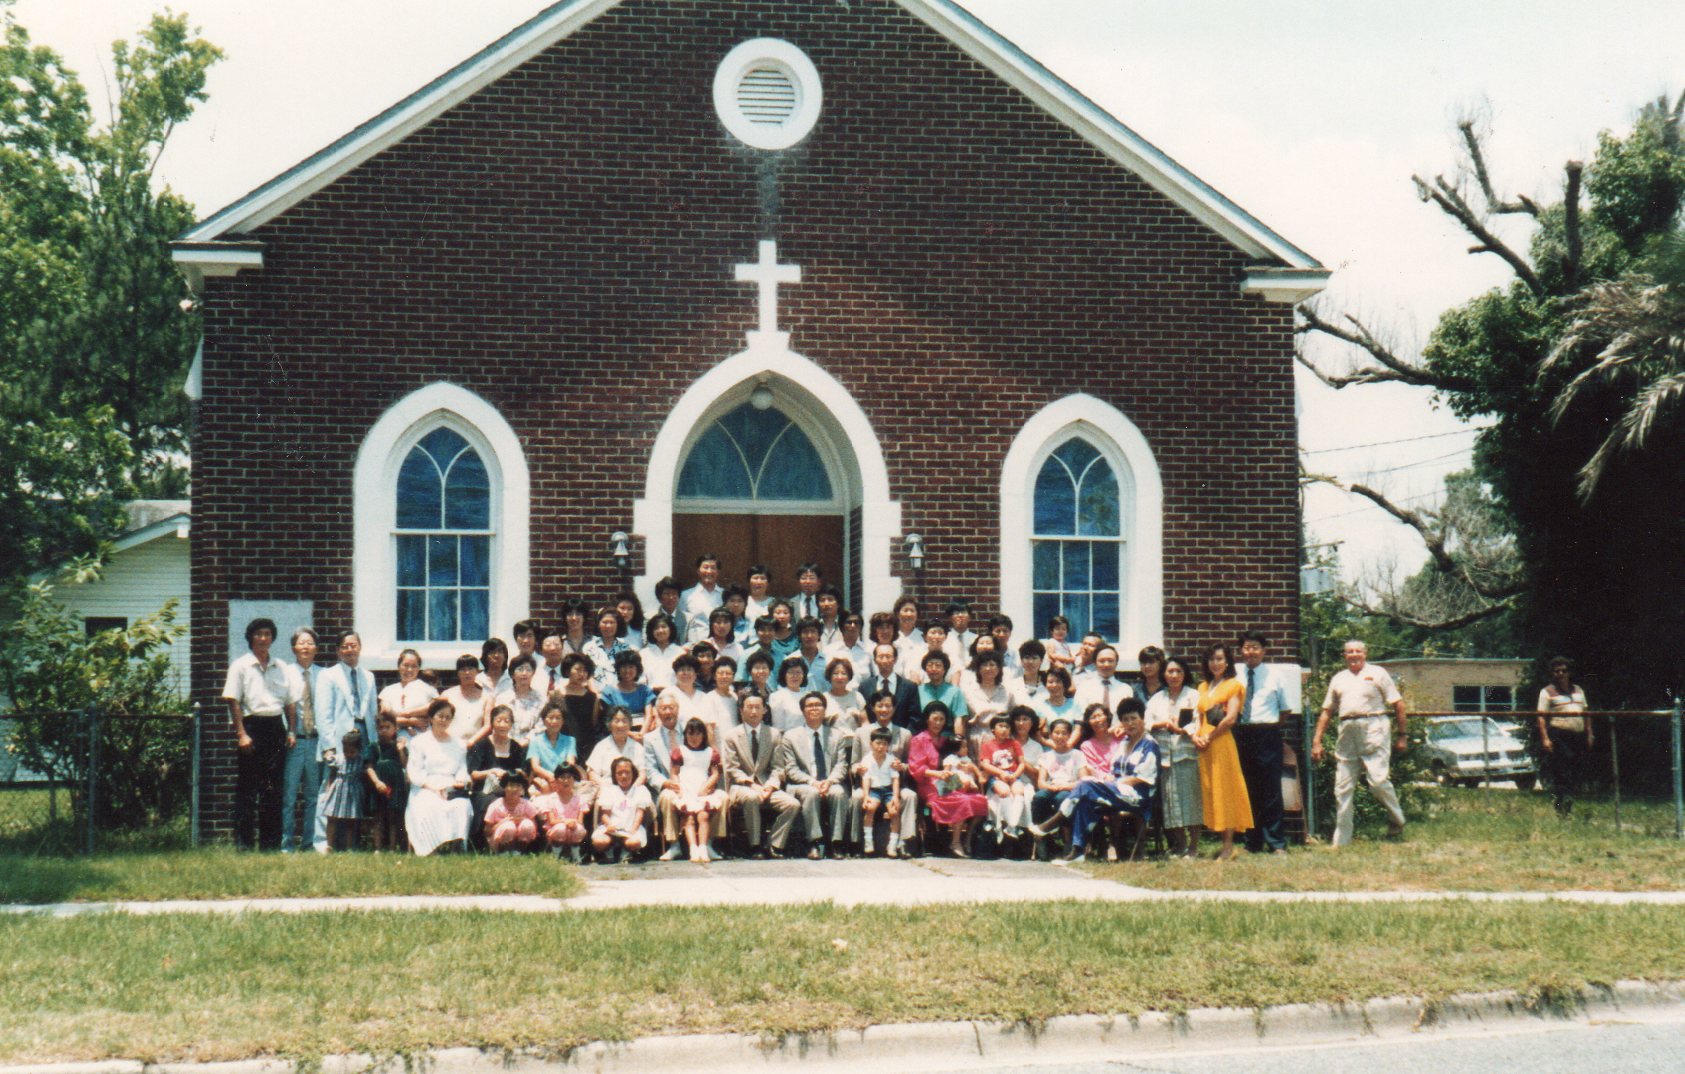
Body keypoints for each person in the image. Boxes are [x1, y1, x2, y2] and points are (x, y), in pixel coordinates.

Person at [1312, 640, 1408, 847]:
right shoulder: (1338, 679)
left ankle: (1397, 818)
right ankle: (1341, 841)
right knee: (1342, 787)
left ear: (1365, 653)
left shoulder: (1378, 673)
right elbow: (1327, 711)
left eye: (1358, 651)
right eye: (1349, 652)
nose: (1354, 655)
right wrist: (1316, 741)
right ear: (1344, 655)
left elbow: (1398, 705)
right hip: (1346, 730)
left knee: (1377, 781)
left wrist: (1402, 735)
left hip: (1374, 726)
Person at [1033, 703, 1158, 861]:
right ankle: (1077, 851)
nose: (1130, 723)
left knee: (1086, 783)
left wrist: (1114, 784)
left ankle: (1053, 822)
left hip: (1138, 797)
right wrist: (1110, 780)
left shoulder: (1149, 744)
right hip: (1118, 794)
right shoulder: (1124, 743)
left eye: (1134, 718)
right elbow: (1115, 770)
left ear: (1143, 719)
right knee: (1085, 801)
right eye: (1126, 720)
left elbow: (1142, 778)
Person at [221, 617, 298, 850]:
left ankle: (270, 845)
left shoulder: (282, 667)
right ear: (250, 638)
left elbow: (290, 703)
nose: (263, 639)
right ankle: (244, 845)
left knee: (272, 790)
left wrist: (292, 730)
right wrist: (241, 734)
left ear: (272, 638)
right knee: (247, 789)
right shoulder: (240, 666)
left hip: (276, 728)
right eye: (258, 634)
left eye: (267, 634)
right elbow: (233, 701)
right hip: (252, 728)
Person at [723, 693, 802, 858]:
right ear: (741, 710)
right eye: (749, 707)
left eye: (757, 707)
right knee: (751, 798)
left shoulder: (773, 734)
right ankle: (755, 845)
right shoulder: (731, 736)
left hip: (767, 786)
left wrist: (770, 786)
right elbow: (732, 768)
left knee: (792, 804)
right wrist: (752, 785)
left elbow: (778, 767)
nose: (753, 711)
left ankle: (773, 843)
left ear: (764, 710)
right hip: (742, 786)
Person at [1193, 643, 1252, 861]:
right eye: (1211, 659)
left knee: (1225, 790)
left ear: (1227, 661)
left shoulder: (1233, 685)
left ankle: (1229, 846)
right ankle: (1222, 843)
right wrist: (1198, 736)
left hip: (1220, 742)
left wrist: (1210, 736)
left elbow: (1231, 718)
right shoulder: (1202, 687)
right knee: (1211, 790)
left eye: (1219, 659)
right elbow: (1199, 717)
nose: (1215, 663)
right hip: (1204, 744)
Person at [1235, 631, 1291, 854]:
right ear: (1241, 651)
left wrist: (1268, 729)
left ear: (1264, 650)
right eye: (1247, 647)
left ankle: (1276, 843)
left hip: (1267, 735)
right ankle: (1252, 842)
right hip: (1242, 734)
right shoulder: (1235, 675)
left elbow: (1285, 710)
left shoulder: (1275, 675)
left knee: (1270, 790)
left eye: (1255, 647)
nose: (1251, 652)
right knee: (1248, 789)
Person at [907, 701, 987, 857]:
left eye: (941, 719)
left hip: (947, 780)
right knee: (962, 799)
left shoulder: (946, 740)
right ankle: (955, 842)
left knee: (979, 799)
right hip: (928, 784)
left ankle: (967, 840)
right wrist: (937, 774)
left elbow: (957, 760)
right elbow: (916, 769)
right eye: (934, 718)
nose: (938, 723)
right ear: (927, 719)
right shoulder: (919, 740)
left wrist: (966, 768)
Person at [778, 690, 849, 858]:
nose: (814, 709)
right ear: (803, 711)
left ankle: (836, 843)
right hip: (802, 784)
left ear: (824, 709)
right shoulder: (790, 736)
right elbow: (791, 769)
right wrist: (813, 782)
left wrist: (829, 781)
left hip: (829, 782)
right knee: (811, 793)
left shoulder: (837, 735)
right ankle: (814, 842)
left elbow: (841, 765)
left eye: (818, 705)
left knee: (839, 792)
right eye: (809, 706)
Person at [1145, 654, 1203, 857]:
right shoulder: (1157, 698)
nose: (1174, 675)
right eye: (1170, 671)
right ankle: (1179, 846)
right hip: (1165, 757)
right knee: (1171, 803)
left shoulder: (1193, 695)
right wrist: (1163, 724)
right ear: (1164, 674)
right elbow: (1146, 724)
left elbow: (1198, 721)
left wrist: (1180, 729)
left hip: (1186, 755)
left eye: (1178, 671)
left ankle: (1193, 847)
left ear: (1185, 673)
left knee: (1191, 801)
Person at [848, 689, 918, 857]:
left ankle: (904, 843)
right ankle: (858, 842)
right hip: (869, 784)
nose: (884, 710)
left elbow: (911, 765)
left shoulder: (905, 734)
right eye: (880, 706)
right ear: (873, 708)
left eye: (888, 706)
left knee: (910, 796)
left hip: (894, 784)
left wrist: (902, 767)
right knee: (857, 797)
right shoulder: (861, 733)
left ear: (894, 709)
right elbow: (853, 763)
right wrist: (858, 768)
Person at [404, 697, 473, 855]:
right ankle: (431, 848)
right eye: (440, 716)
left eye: (448, 717)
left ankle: (457, 847)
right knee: (430, 805)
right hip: (425, 786)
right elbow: (414, 772)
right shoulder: (419, 742)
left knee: (462, 805)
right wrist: (433, 788)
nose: (444, 720)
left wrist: (460, 783)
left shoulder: (459, 744)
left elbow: (462, 769)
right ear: (431, 718)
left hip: (450, 785)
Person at [280, 628, 324, 854]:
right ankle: (286, 845)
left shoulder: (324, 675)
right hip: (294, 742)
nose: (306, 647)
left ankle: (309, 843)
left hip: (316, 742)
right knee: (288, 795)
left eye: (310, 643)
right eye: (301, 643)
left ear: (316, 648)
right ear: (293, 648)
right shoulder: (285, 673)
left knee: (313, 796)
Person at [1537, 656, 1593, 817]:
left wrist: (1590, 734)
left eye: (1564, 670)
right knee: (1562, 770)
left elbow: (1586, 712)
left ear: (1569, 672)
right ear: (1552, 674)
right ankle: (1561, 807)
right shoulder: (1547, 692)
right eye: (1557, 671)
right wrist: (1545, 738)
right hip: (1559, 735)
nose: (1560, 674)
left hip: (1578, 735)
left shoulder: (1578, 690)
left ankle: (1568, 801)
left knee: (1577, 769)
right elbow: (1541, 717)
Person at [468, 705, 528, 844]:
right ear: (492, 722)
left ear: (512, 724)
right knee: (491, 803)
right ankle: (490, 841)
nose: (502, 725)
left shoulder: (516, 746)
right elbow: (474, 774)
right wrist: (492, 771)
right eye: (499, 720)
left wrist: (512, 773)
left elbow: (523, 771)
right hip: (486, 790)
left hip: (511, 790)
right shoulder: (481, 745)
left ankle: (519, 840)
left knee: (525, 802)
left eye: (507, 721)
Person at [670, 716, 725, 862]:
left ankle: (703, 847)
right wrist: (679, 789)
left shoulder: (709, 752)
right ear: (685, 735)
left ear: (703, 735)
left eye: (698, 734)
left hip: (702, 789)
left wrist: (706, 787)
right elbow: (674, 773)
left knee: (703, 816)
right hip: (686, 789)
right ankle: (693, 849)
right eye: (690, 734)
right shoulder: (680, 751)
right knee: (688, 819)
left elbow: (715, 774)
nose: (694, 738)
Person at [1030, 718, 1082, 860]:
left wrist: (1066, 786)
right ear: (1051, 735)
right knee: (1040, 797)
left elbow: (1083, 780)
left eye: (1064, 733)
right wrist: (1050, 786)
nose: (1060, 736)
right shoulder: (1046, 756)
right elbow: (1041, 782)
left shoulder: (1077, 755)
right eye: (1056, 733)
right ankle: (1041, 837)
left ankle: (1067, 841)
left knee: (1062, 799)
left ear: (1069, 735)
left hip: (1069, 788)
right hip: (1051, 787)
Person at [977, 714, 1028, 845]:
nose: (1004, 729)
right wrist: (1000, 773)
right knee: (1004, 791)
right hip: (997, 776)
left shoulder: (1014, 743)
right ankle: (1010, 825)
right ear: (993, 729)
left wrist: (1015, 775)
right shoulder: (987, 745)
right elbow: (985, 764)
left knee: (1019, 791)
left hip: (1013, 775)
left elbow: (1022, 763)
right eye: (1000, 726)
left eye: (1007, 727)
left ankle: (1012, 826)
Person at [592, 756, 652, 862]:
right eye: (619, 773)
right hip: (611, 829)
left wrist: (632, 830)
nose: (624, 776)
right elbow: (605, 814)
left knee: (634, 843)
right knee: (599, 842)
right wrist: (609, 825)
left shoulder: (640, 790)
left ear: (633, 773)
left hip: (631, 829)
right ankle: (609, 849)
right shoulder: (609, 790)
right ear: (614, 775)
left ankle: (626, 850)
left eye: (627, 772)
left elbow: (639, 814)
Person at [319, 727, 368, 852]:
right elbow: (332, 773)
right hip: (338, 790)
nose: (349, 755)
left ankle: (349, 846)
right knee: (332, 818)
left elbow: (364, 775)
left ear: (358, 749)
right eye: (346, 751)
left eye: (352, 752)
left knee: (350, 820)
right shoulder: (339, 758)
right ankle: (329, 845)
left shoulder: (361, 760)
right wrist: (328, 789)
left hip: (353, 792)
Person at [365, 712, 407, 852]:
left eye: (387, 727)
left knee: (393, 817)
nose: (383, 730)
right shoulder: (373, 746)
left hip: (395, 785)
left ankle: (392, 848)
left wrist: (401, 750)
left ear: (395, 728)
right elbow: (369, 767)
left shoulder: (397, 746)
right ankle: (377, 848)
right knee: (378, 817)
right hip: (380, 785)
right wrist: (376, 782)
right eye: (380, 727)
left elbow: (404, 765)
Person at [858, 729, 903, 857]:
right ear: (871, 743)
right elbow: (866, 779)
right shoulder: (867, 759)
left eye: (884, 744)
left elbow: (895, 779)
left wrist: (895, 796)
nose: (880, 747)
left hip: (888, 790)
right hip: (874, 790)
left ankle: (892, 845)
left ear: (888, 746)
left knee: (894, 812)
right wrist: (866, 796)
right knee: (870, 808)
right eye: (878, 743)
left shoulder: (891, 759)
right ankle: (868, 841)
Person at [859, 642, 922, 729]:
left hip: (901, 738)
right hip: (873, 738)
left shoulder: (910, 687)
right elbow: (863, 715)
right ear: (875, 660)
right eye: (881, 657)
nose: (884, 661)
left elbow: (915, 717)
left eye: (888, 656)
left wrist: (905, 737)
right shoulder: (865, 687)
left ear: (895, 659)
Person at [528, 699, 584, 796]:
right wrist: (550, 776)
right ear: (544, 720)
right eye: (551, 717)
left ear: (563, 721)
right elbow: (535, 766)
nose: (554, 721)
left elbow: (570, 763)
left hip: (564, 778)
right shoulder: (535, 741)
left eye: (558, 718)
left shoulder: (570, 740)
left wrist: (559, 778)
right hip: (544, 779)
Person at [532, 768, 588, 861]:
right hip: (556, 830)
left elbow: (580, 821)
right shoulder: (551, 799)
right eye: (562, 778)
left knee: (579, 828)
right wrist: (566, 821)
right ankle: (556, 855)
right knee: (560, 828)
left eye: (569, 777)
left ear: (574, 780)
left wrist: (573, 823)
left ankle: (575, 855)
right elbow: (552, 821)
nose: (566, 781)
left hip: (573, 828)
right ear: (556, 781)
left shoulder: (579, 799)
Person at [378, 648, 437, 737]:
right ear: (399, 666)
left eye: (414, 666)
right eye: (405, 665)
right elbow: (386, 716)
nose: (409, 670)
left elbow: (432, 709)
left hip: (421, 740)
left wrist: (402, 715)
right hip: (395, 741)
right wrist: (412, 721)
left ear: (418, 668)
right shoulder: (388, 690)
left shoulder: (428, 689)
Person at [493, 653, 545, 745]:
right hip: (506, 745)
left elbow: (541, 725)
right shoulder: (503, 698)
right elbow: (499, 723)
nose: (524, 673)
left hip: (533, 745)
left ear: (533, 674)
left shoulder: (541, 699)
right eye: (520, 669)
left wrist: (527, 741)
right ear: (512, 674)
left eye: (528, 670)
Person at [483, 770, 540, 853]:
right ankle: (504, 853)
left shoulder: (527, 804)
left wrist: (522, 819)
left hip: (519, 841)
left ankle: (519, 852)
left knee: (527, 824)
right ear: (504, 787)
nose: (514, 789)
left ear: (522, 788)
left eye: (518, 786)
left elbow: (534, 828)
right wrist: (504, 822)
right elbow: (487, 831)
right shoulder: (495, 805)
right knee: (509, 826)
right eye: (511, 785)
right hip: (498, 842)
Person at [600, 651, 654, 732]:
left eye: (631, 667)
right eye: (624, 667)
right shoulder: (609, 692)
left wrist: (641, 735)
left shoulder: (645, 690)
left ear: (637, 669)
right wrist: (631, 735)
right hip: (618, 733)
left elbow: (649, 715)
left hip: (642, 732)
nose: (627, 670)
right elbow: (611, 720)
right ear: (618, 669)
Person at [582, 607, 633, 690]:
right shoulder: (589, 648)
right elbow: (586, 673)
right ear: (598, 624)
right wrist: (595, 693)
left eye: (612, 622)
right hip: (595, 695)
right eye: (604, 622)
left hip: (619, 695)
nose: (608, 626)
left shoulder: (626, 649)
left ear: (618, 625)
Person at [678, 554, 724, 644]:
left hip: (720, 645)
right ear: (698, 570)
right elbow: (681, 623)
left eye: (713, 568)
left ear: (718, 572)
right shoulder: (686, 595)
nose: (709, 571)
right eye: (705, 567)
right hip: (695, 646)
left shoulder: (725, 595)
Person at [440, 654, 486, 745]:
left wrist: (471, 742)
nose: (467, 672)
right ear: (457, 673)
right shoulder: (447, 695)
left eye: (470, 669)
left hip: (475, 746)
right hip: (450, 744)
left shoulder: (487, 697)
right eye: (463, 669)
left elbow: (488, 725)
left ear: (477, 671)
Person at [1074, 645, 1133, 714]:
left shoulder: (1126, 689)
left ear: (1116, 663)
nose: (1106, 664)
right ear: (1095, 663)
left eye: (1110, 661)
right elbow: (1079, 717)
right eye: (1102, 661)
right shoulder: (1084, 687)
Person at [640, 612, 684, 690]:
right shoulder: (644, 654)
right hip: (649, 696)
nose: (660, 630)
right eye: (656, 628)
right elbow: (640, 680)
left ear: (671, 629)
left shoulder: (680, 652)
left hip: (674, 696)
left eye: (664, 627)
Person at [769, 655, 811, 732]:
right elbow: (778, 727)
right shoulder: (777, 697)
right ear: (784, 675)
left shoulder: (808, 696)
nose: (795, 676)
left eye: (798, 672)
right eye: (791, 672)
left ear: (803, 675)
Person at [822, 657, 865, 729]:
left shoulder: (858, 697)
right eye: (835, 673)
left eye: (844, 673)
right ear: (829, 676)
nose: (839, 677)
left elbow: (865, 724)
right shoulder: (823, 698)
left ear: (849, 677)